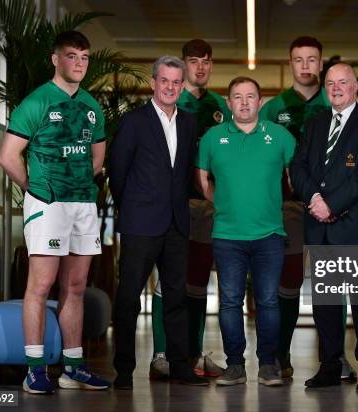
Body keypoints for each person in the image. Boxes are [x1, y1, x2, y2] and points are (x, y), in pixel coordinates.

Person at [0, 31, 111, 394]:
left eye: (84, 57)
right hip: (48, 204)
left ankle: (73, 367)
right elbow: (8, 156)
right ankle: (34, 369)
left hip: (82, 203)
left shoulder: (93, 106)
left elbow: (98, 158)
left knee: (75, 286)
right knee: (40, 285)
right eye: (72, 56)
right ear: (55, 60)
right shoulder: (36, 102)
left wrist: (78, 184)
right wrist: (36, 188)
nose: (79, 63)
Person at [108, 55, 208, 388]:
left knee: (177, 298)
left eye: (176, 82)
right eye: (163, 80)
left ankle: (179, 365)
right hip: (140, 224)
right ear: (153, 83)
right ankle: (123, 370)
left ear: (182, 85)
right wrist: (133, 209)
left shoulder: (189, 122)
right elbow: (118, 173)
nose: (169, 87)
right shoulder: (134, 121)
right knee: (128, 297)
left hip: (177, 224)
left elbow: (184, 174)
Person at [260, 35, 356, 382]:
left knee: (332, 283)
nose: (305, 66)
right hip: (287, 208)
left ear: (320, 62)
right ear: (290, 64)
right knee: (286, 284)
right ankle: (280, 355)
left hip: (332, 208)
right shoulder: (273, 109)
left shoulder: (333, 102)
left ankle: (335, 358)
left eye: (311, 59)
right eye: (298, 60)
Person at [290, 63, 358, 389]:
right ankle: (330, 365)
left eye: (342, 82)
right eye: (330, 83)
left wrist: (331, 204)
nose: (336, 88)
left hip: (356, 227)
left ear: (354, 86)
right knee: (326, 302)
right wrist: (314, 198)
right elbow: (298, 166)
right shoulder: (314, 124)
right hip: (321, 228)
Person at [196, 77, 296, 386]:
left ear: (260, 101)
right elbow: (203, 179)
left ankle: (267, 364)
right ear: (228, 103)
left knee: (268, 301)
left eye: (250, 96)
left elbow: (296, 178)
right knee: (229, 302)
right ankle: (235, 366)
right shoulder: (212, 137)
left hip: (270, 234)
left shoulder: (280, 136)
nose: (243, 102)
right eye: (237, 97)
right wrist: (223, 203)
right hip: (227, 235)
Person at [149, 39, 230, 379]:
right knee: (168, 282)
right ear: (182, 66)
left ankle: (192, 355)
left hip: (208, 207)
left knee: (197, 282)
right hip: (172, 204)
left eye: (206, 61)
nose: (200, 67)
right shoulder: (170, 100)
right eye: (193, 61)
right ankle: (161, 355)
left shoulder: (219, 107)